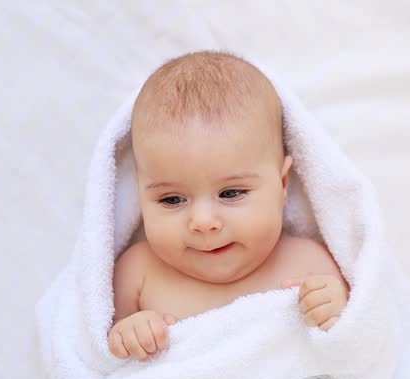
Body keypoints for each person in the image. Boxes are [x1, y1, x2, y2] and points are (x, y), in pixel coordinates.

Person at [108, 51, 349, 362]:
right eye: (172, 199)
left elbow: (358, 347)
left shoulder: (309, 263)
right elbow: (99, 359)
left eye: (231, 193)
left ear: (283, 185)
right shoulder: (137, 272)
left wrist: (335, 309)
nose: (203, 221)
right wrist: (129, 335)